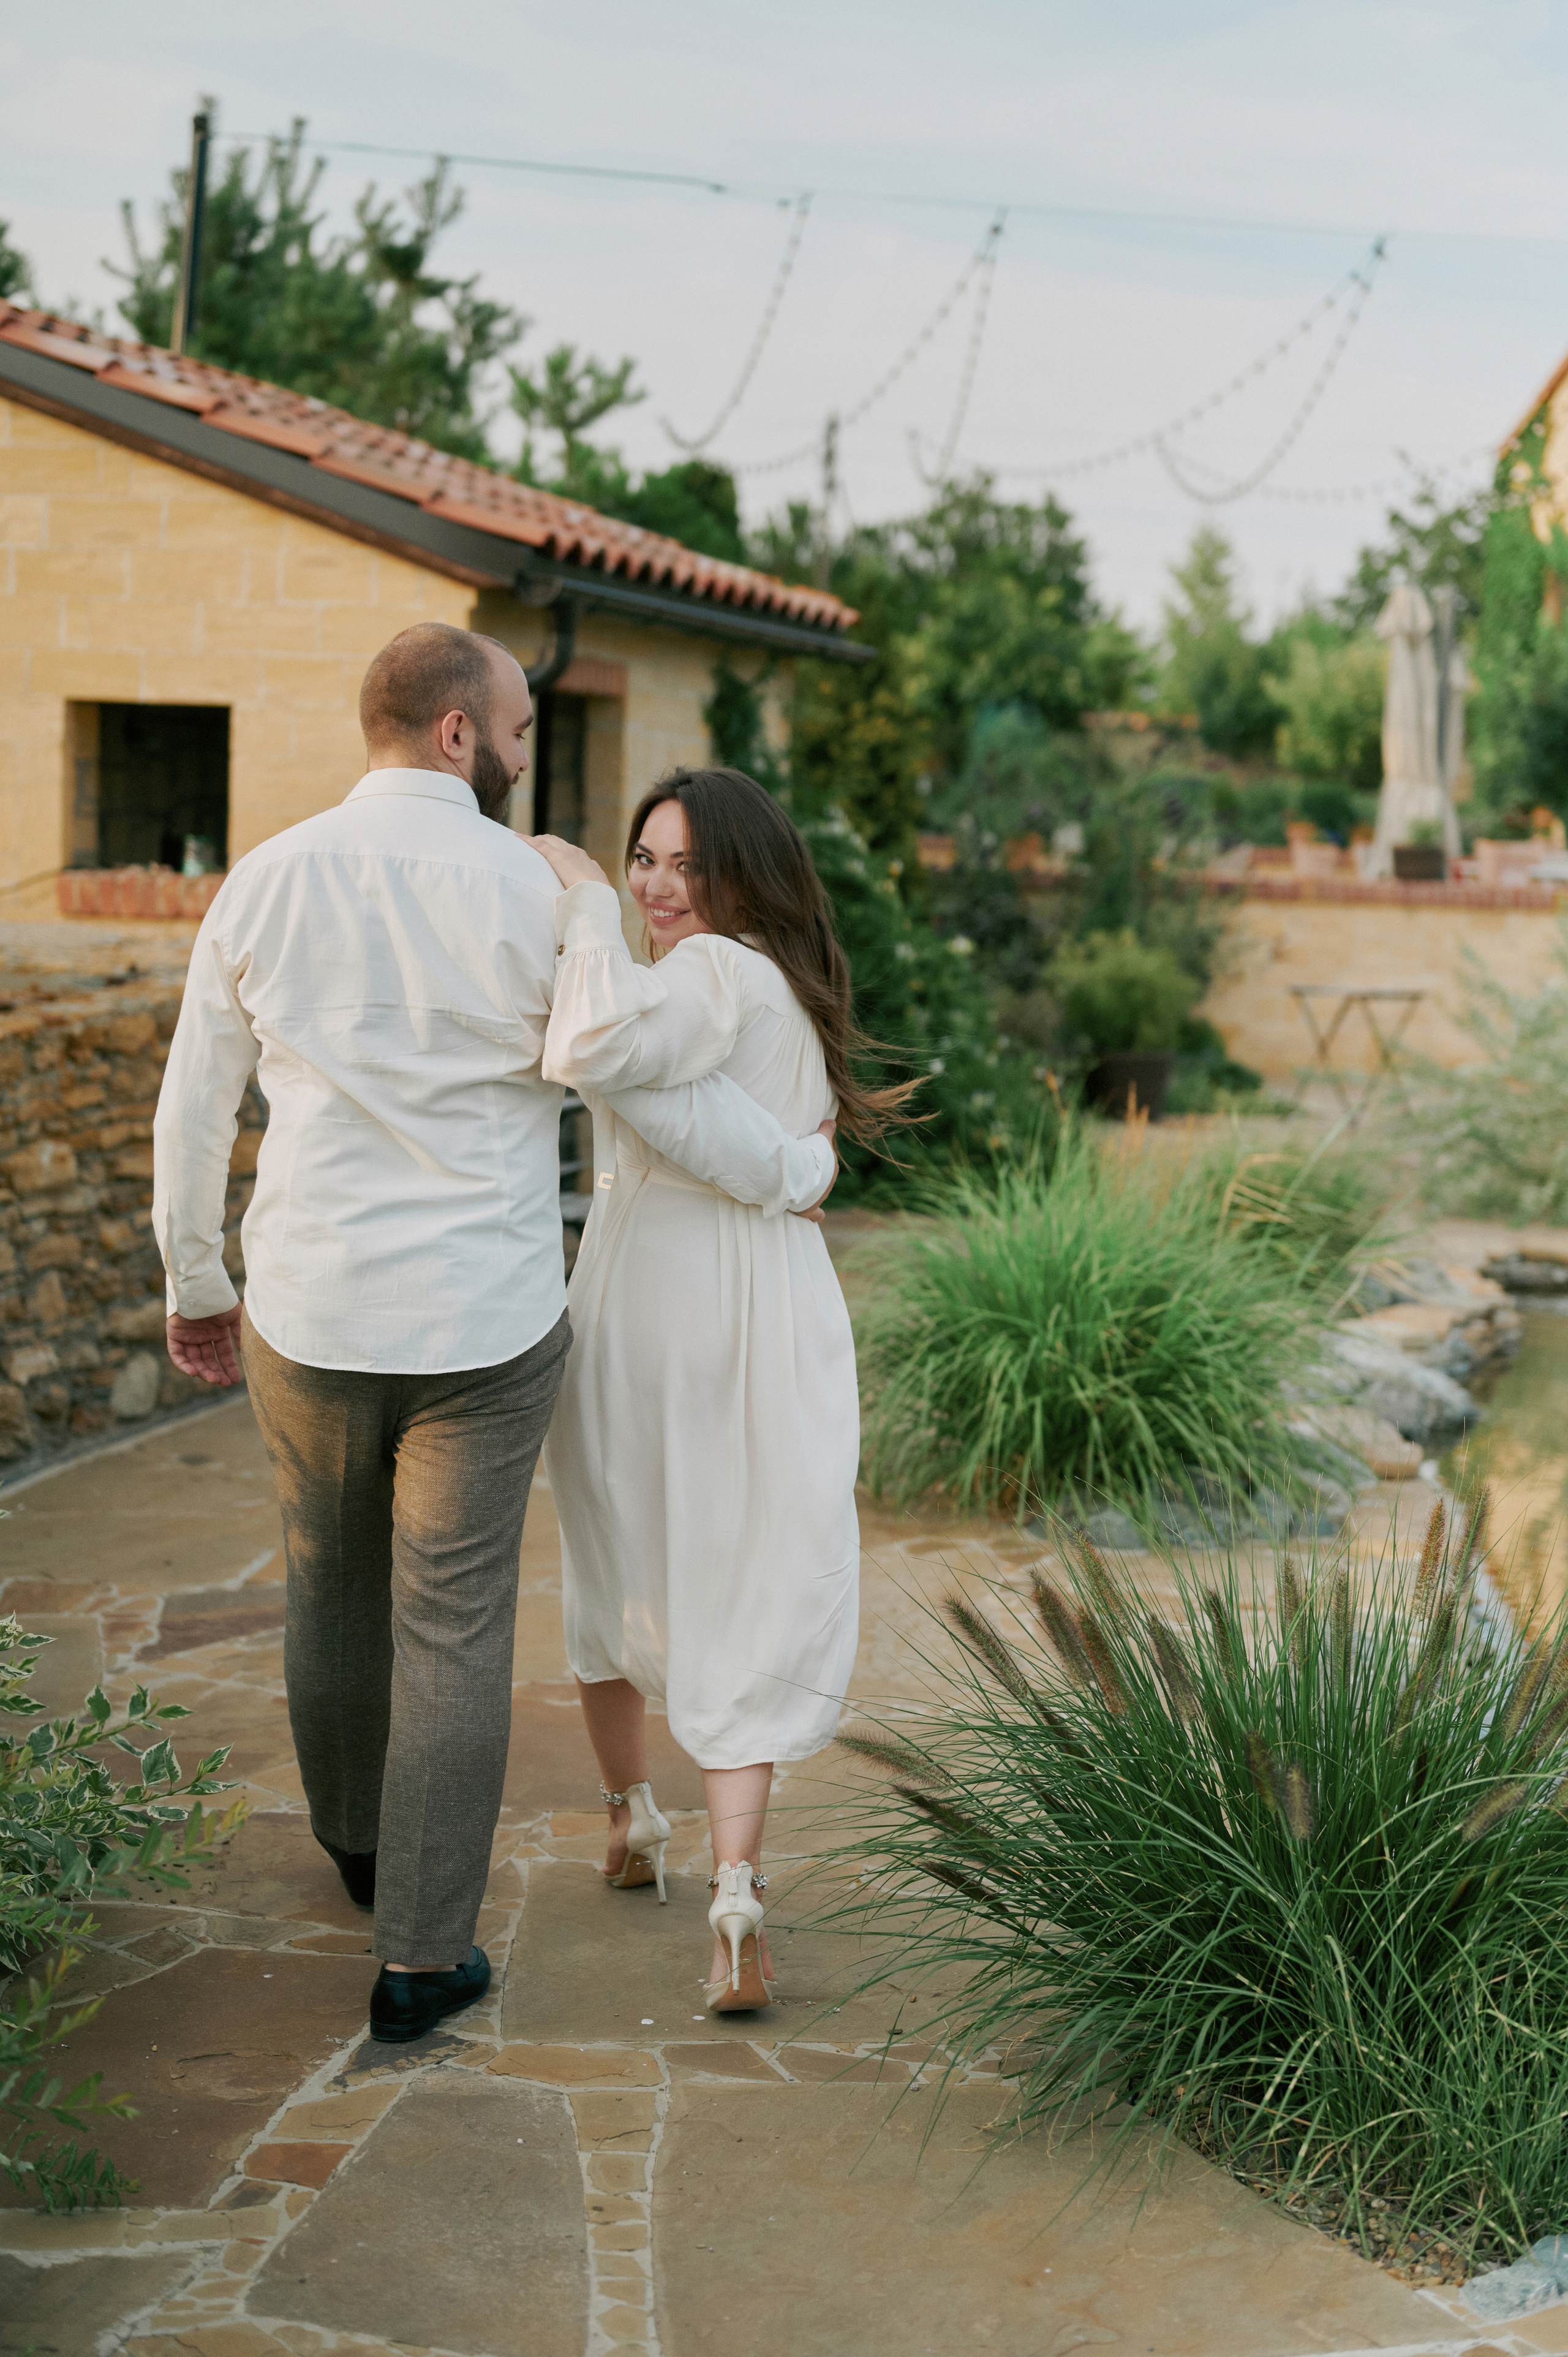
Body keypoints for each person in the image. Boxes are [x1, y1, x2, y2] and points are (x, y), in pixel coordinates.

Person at [151, 628, 836, 2044]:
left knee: (324, 1580)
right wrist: (792, 1166)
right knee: (451, 1620)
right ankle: (419, 1955)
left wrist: (197, 1281)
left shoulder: (264, 879)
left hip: (307, 1304)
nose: (531, 752)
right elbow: (625, 1069)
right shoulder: (533, 896)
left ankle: (356, 1842)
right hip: (484, 1317)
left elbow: (194, 1103)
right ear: (461, 735)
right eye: (523, 726)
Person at [531, 769, 916, 2012]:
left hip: (660, 1292)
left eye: (683, 865)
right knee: (741, 1566)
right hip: (776, 1303)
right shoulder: (783, 989)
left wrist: (584, 904)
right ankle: (735, 1890)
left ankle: (632, 1815)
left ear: (739, 877)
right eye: (639, 857)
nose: (654, 883)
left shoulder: (707, 973)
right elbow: (700, 1116)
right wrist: (796, 1161)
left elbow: (591, 1049)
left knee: (616, 1555)